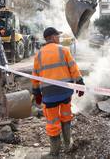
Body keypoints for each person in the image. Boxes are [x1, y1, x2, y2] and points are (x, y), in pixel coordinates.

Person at [32, 27, 84, 157]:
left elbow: (35, 76)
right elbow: (73, 68)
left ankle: (54, 151)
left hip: (49, 96)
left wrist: (36, 92)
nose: (59, 38)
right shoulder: (63, 50)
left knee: (52, 122)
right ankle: (68, 145)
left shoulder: (39, 55)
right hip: (65, 92)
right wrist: (80, 83)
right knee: (66, 116)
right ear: (53, 37)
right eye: (58, 36)